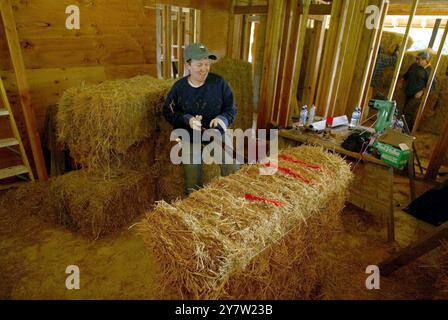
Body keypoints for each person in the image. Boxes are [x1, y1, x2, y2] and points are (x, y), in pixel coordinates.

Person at [162, 43, 239, 196]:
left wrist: (222, 119)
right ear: (188, 66)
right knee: (192, 178)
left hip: (217, 133)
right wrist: (187, 119)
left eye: (206, 64)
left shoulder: (219, 83)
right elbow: (168, 111)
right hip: (190, 137)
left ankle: (233, 200)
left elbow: (231, 108)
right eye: (199, 65)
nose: (204, 69)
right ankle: (194, 204)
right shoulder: (179, 88)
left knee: (232, 169)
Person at [398, 50, 435, 131]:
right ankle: (406, 131)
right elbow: (406, 74)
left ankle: (405, 132)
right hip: (407, 92)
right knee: (404, 112)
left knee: (408, 112)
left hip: (416, 96)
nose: (417, 61)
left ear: (426, 60)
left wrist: (422, 92)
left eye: (419, 59)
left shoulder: (430, 70)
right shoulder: (414, 65)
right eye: (416, 59)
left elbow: (432, 86)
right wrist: (401, 81)